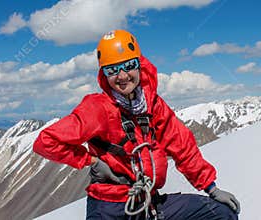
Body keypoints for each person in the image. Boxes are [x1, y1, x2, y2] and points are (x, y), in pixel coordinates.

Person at [33, 29, 240, 220]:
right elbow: (46, 141)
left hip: (149, 202)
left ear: (139, 64)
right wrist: (92, 161)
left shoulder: (154, 106)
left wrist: (211, 188)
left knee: (221, 214)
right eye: (112, 70)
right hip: (109, 208)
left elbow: (183, 147)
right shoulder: (98, 108)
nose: (122, 76)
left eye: (128, 66)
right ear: (104, 74)